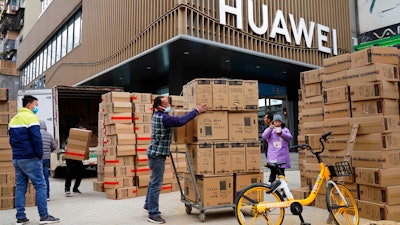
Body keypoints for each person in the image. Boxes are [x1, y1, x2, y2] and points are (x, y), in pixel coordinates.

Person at [144, 96, 208, 224]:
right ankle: (153, 214)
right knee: (156, 184)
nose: (168, 105)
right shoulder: (164, 118)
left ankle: (148, 205)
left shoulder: (158, 115)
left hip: (154, 154)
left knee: (153, 181)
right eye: (166, 104)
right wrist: (196, 111)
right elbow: (180, 121)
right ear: (159, 106)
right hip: (157, 155)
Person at [8, 95, 60, 225]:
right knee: (41, 186)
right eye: (35, 105)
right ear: (29, 105)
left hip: (17, 158)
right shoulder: (31, 118)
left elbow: (11, 141)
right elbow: (37, 139)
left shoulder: (13, 120)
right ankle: (44, 216)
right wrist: (39, 155)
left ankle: (20, 217)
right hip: (30, 157)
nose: (36, 108)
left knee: (20, 188)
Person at [262, 114, 293, 183]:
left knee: (281, 171)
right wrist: (270, 129)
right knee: (273, 171)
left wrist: (282, 133)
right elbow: (264, 136)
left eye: (279, 122)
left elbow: (290, 137)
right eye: (276, 122)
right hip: (273, 154)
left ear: (281, 122)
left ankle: (283, 186)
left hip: (282, 155)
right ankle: (270, 185)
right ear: (273, 122)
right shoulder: (269, 129)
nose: (277, 123)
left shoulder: (285, 130)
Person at [64, 126, 86, 196]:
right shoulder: (72, 137)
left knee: (80, 173)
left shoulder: (84, 140)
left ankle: (75, 188)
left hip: (78, 158)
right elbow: (64, 144)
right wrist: (65, 147)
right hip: (70, 158)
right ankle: (67, 189)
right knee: (69, 174)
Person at [39, 120, 57, 201]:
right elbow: (54, 146)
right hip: (46, 159)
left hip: (38, 158)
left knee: (38, 177)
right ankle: (47, 196)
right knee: (46, 177)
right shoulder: (49, 135)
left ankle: (39, 195)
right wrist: (49, 152)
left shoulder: (35, 134)